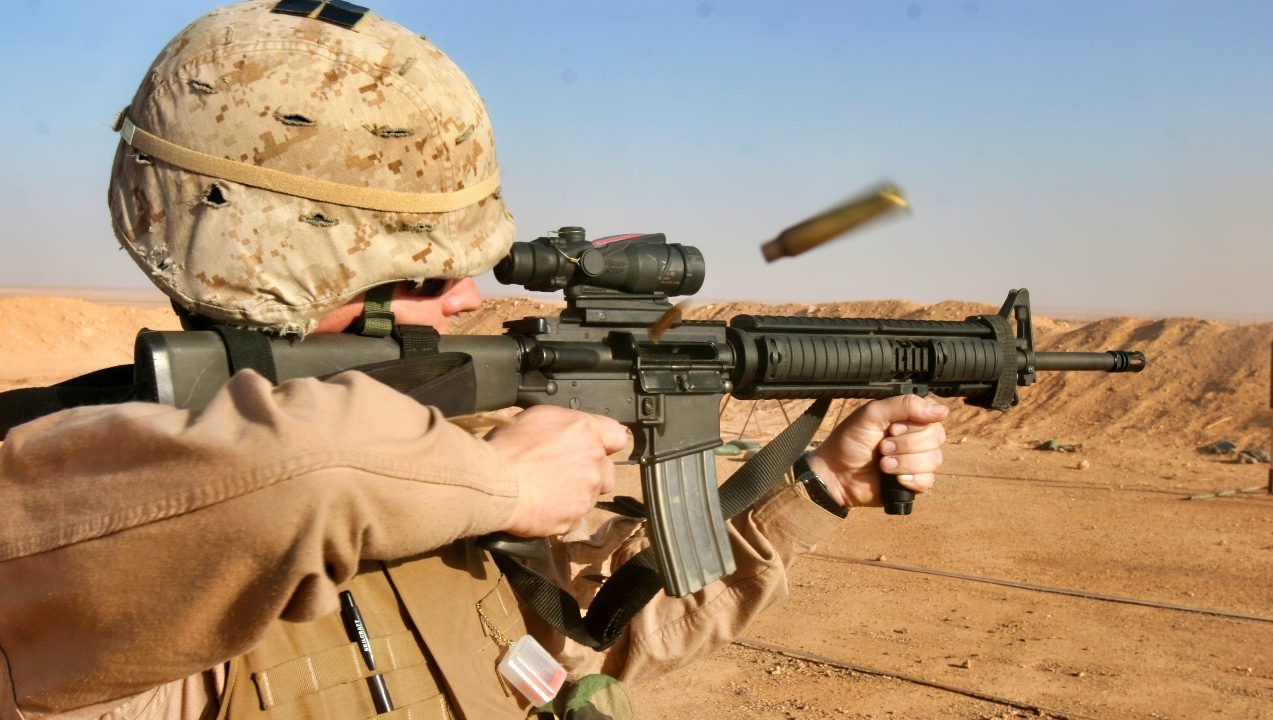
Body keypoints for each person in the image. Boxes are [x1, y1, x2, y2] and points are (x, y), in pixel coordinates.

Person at [0, 2, 948, 719]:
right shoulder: (84, 513)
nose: (465, 299)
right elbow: (284, 478)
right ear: (278, 274)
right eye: (423, 275)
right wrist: (498, 482)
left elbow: (597, 648)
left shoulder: (436, 469)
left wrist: (816, 487)